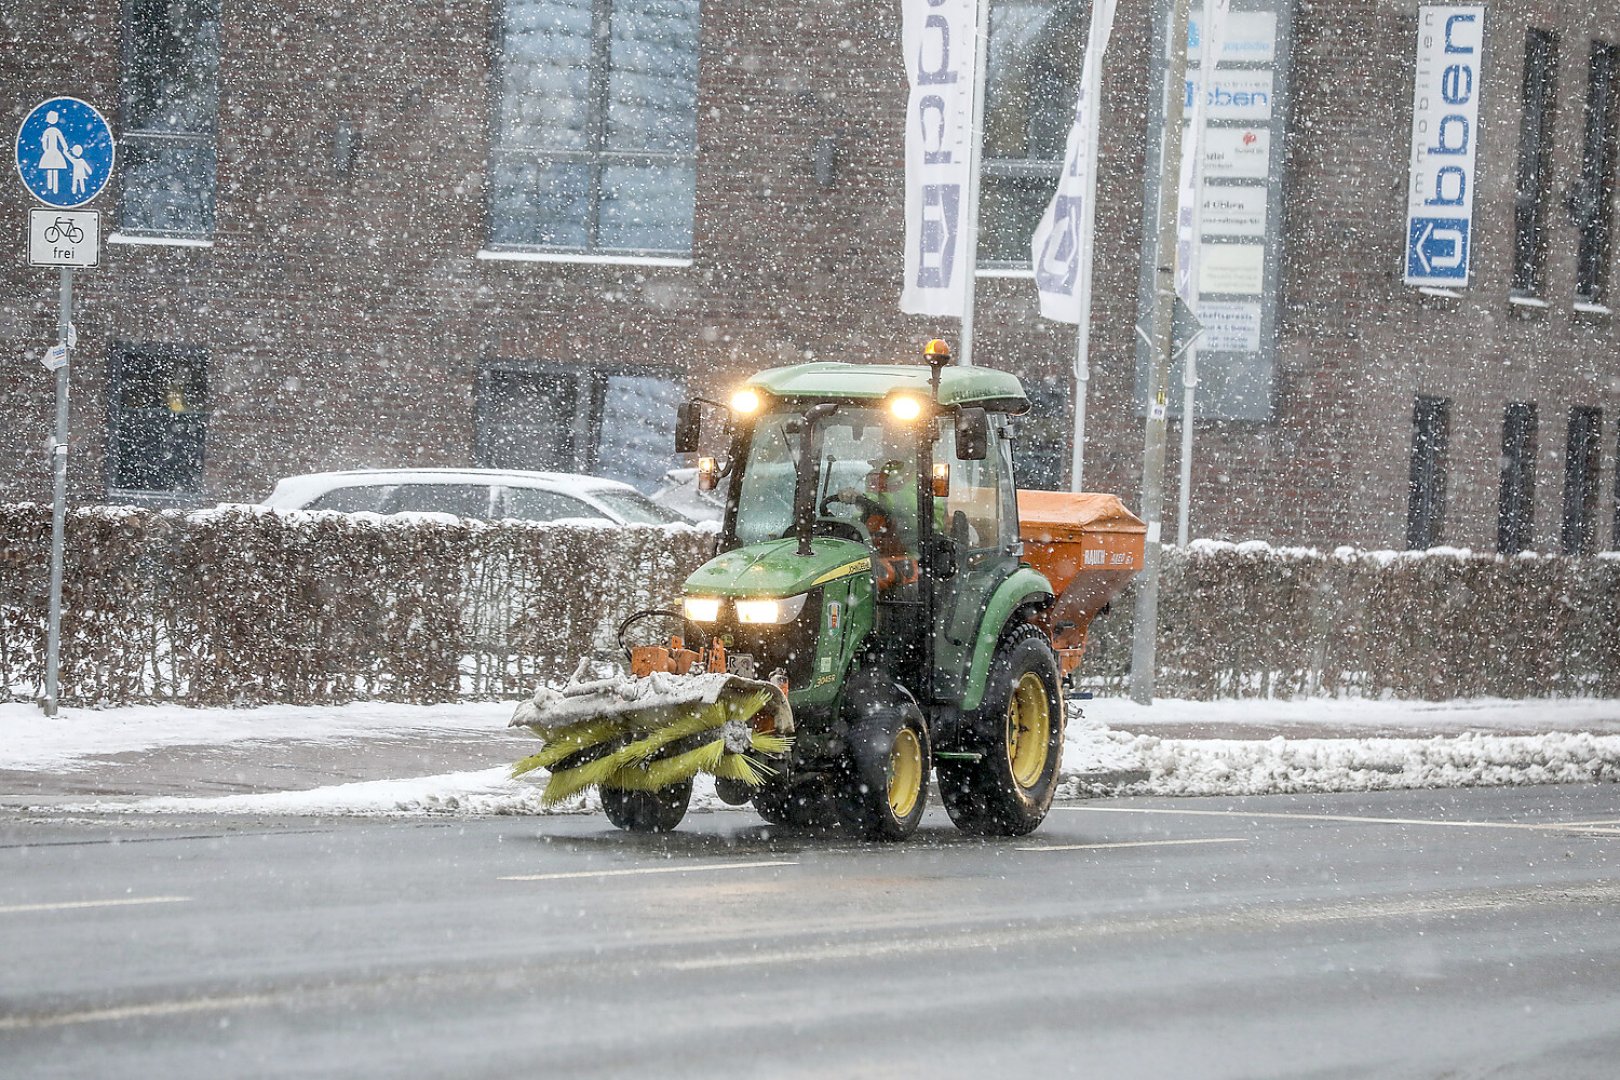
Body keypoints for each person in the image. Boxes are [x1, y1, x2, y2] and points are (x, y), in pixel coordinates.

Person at [38, 111, 69, 195]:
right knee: (51, 168)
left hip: (53, 152)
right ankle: (50, 187)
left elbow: (60, 139)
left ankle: (54, 188)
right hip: (51, 152)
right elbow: (44, 141)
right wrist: (45, 149)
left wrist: (65, 146)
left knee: (54, 168)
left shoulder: (54, 131)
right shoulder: (50, 131)